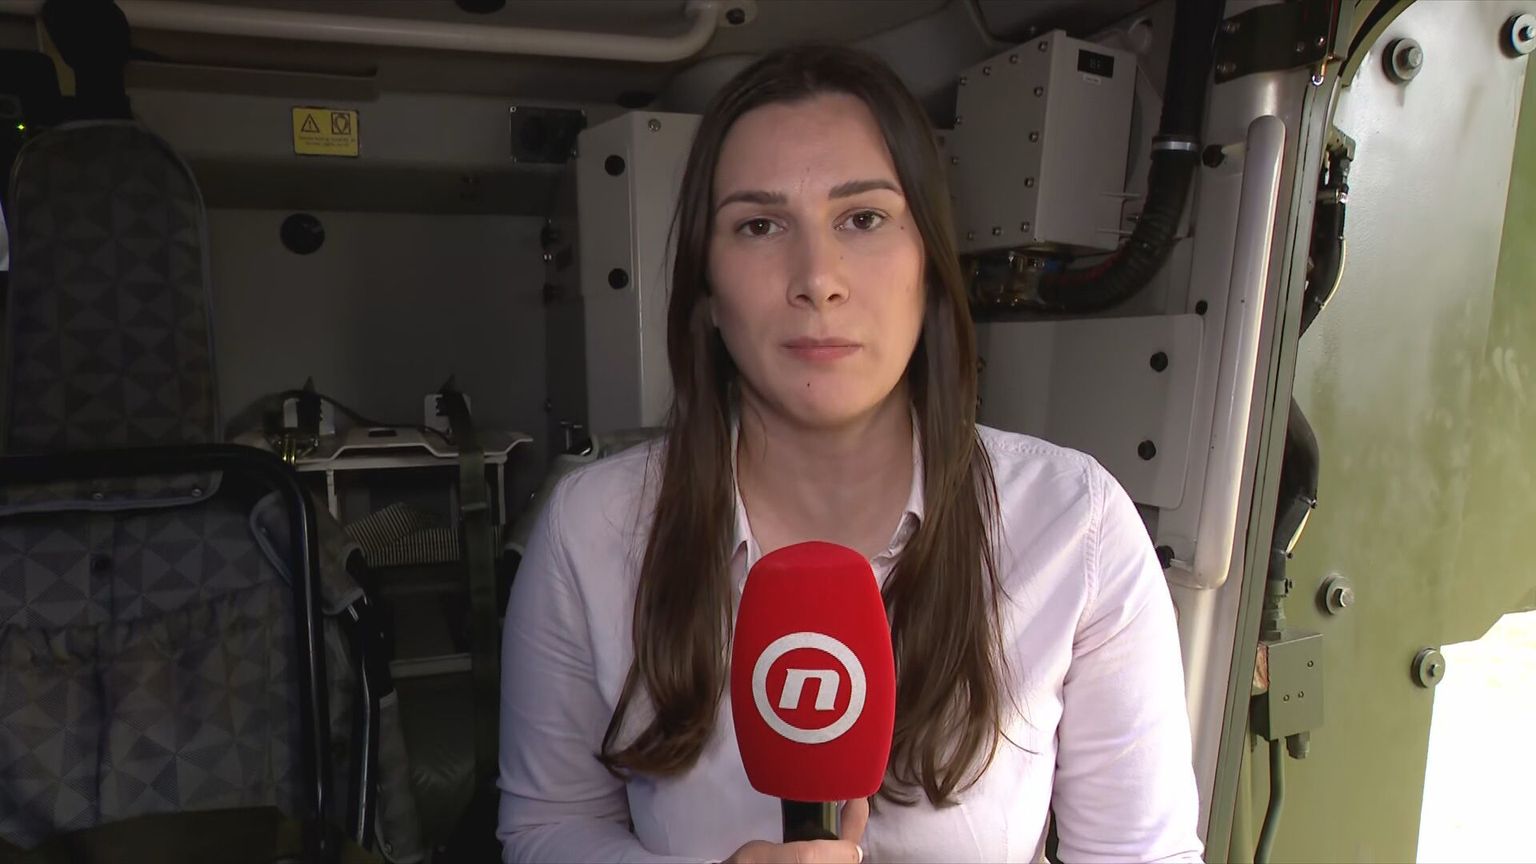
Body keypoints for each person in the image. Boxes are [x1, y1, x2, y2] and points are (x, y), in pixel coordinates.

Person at [497, 44, 1204, 864]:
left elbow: (1141, 854)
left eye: (863, 219)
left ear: (929, 266)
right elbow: (547, 830)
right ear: (707, 292)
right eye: (759, 225)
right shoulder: (588, 530)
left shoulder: (1076, 524)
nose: (818, 279)